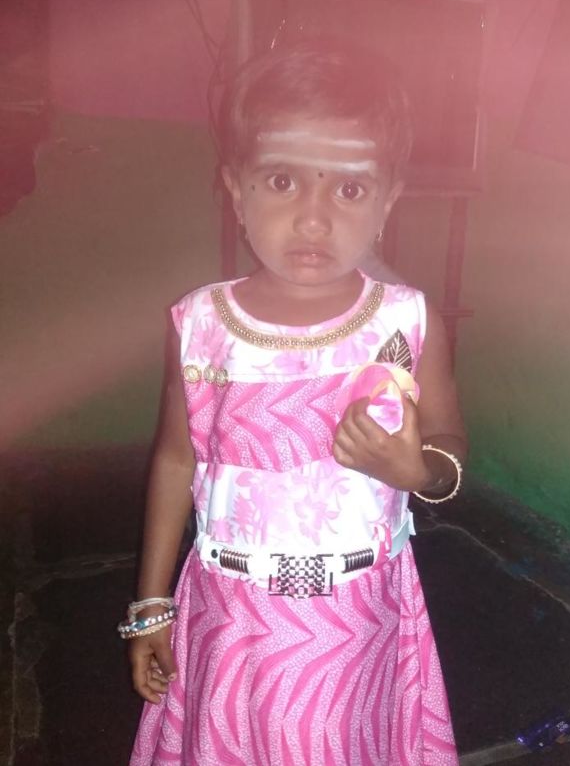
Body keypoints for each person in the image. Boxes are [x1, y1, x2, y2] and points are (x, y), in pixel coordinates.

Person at [124, 38, 467, 766]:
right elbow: (176, 459)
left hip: (357, 623)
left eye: (349, 189)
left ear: (388, 200)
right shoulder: (201, 324)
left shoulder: (406, 323)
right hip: (229, 618)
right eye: (283, 181)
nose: (314, 220)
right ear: (236, 187)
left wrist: (417, 471)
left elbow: (450, 451)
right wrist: (151, 605)